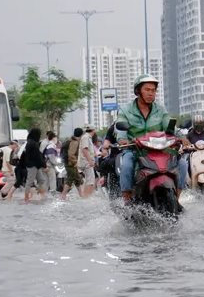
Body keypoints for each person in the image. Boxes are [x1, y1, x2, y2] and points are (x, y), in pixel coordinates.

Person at [108, 74, 186, 204]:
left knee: (182, 163)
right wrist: (122, 139)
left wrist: (182, 137)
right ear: (138, 91)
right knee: (126, 164)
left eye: (153, 90)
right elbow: (120, 126)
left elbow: (169, 125)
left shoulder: (160, 109)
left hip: (160, 150)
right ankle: (127, 199)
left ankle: (176, 199)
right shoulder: (126, 109)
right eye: (147, 90)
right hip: (135, 149)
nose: (151, 93)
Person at [21, 127, 48, 202]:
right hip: (32, 165)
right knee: (29, 181)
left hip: (34, 165)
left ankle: (41, 194)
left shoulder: (29, 142)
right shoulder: (33, 144)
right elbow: (37, 156)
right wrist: (44, 165)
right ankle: (26, 198)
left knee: (41, 180)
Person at [60, 128, 85, 198]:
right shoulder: (75, 142)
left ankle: (81, 195)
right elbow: (71, 154)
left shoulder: (70, 140)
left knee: (77, 179)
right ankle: (63, 195)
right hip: (70, 164)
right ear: (81, 134)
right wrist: (75, 162)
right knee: (70, 179)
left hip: (68, 163)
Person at [78, 126, 97, 197]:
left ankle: (85, 196)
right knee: (90, 181)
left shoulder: (86, 137)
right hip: (86, 162)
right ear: (93, 130)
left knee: (89, 180)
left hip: (85, 161)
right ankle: (87, 197)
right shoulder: (86, 137)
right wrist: (90, 161)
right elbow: (85, 149)